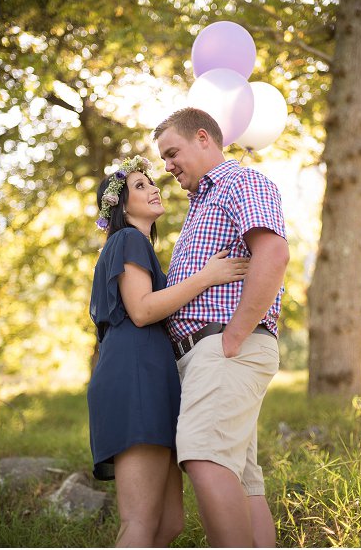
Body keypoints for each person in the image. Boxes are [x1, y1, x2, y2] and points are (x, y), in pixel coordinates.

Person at [88, 155, 249, 547]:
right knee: (140, 522)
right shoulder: (127, 240)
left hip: (154, 379)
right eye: (139, 186)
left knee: (169, 524)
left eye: (150, 182)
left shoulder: (141, 246)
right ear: (121, 206)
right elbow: (142, 311)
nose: (153, 187)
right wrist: (208, 276)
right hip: (134, 376)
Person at [153, 107, 289, 548]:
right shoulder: (200, 205)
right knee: (242, 479)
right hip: (209, 355)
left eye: (173, 152)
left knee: (204, 459)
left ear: (204, 139)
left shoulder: (240, 182)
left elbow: (273, 254)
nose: (168, 165)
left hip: (225, 347)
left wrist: (234, 335)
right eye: (164, 158)